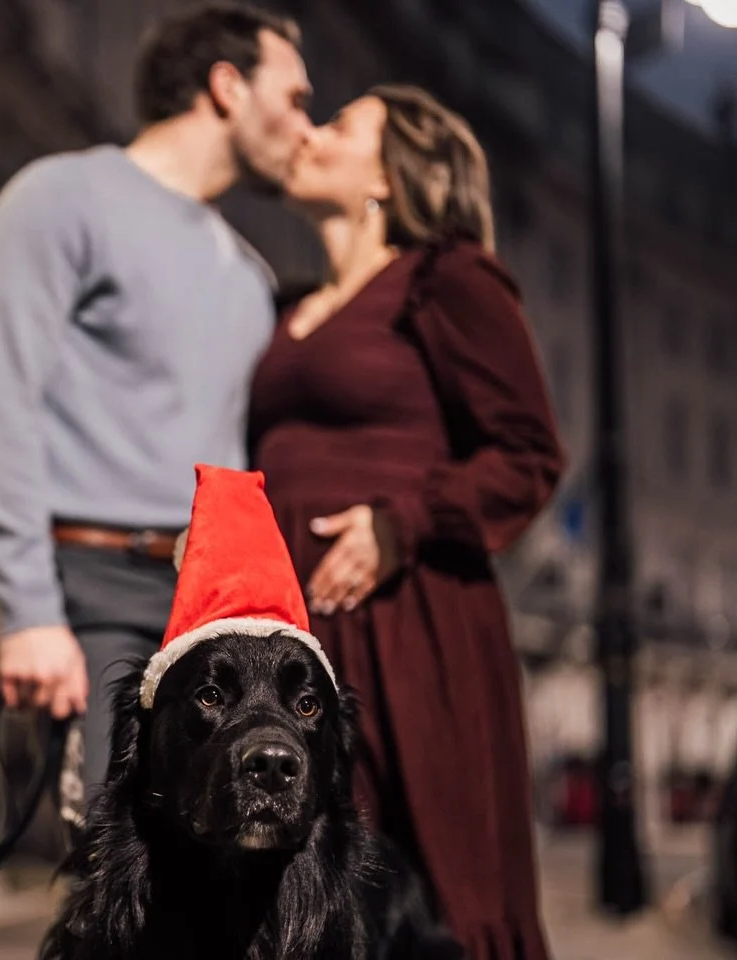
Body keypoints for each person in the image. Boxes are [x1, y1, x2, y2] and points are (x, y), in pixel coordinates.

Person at [0, 3, 313, 814]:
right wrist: (28, 611)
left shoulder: (248, 276)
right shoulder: (60, 199)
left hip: (208, 605)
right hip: (91, 592)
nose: (304, 126)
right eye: (293, 97)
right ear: (227, 86)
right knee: (107, 867)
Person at [247, 84, 563, 957]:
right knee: (300, 897)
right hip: (297, 637)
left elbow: (529, 453)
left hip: (413, 629)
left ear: (394, 173)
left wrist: (403, 525)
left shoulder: (446, 278)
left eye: (341, 126)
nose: (310, 133)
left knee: (438, 899)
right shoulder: (289, 307)